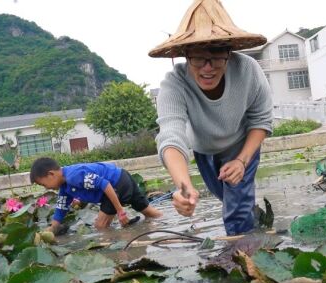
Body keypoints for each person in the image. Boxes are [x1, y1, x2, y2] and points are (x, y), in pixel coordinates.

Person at [148, 0, 272, 235]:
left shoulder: (248, 70)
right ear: (185, 55)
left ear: (229, 51)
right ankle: (254, 225)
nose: (208, 68)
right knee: (228, 199)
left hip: (242, 144)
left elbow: (261, 121)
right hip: (204, 151)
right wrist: (183, 187)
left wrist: (241, 161)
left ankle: (244, 257)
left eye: (216, 55)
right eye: (198, 57)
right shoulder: (174, 85)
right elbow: (171, 136)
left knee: (236, 208)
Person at [29, 157, 162, 233]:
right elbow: (61, 208)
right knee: (150, 213)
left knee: (100, 226)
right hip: (123, 176)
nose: (45, 188)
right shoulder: (64, 187)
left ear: (51, 174)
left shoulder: (74, 176)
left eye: (43, 184)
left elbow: (105, 185)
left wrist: (120, 211)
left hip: (116, 184)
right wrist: (52, 228)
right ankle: (165, 224)